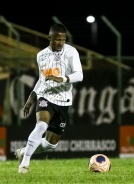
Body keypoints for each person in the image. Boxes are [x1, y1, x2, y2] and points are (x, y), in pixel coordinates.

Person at [14, 23, 83, 174]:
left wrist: (63, 79)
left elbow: (79, 75)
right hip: (45, 95)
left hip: (64, 100)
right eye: (57, 39)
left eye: (63, 39)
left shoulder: (72, 52)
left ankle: (23, 151)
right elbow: (41, 80)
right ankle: (24, 164)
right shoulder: (41, 55)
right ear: (49, 38)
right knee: (41, 126)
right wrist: (31, 98)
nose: (61, 43)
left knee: (50, 145)